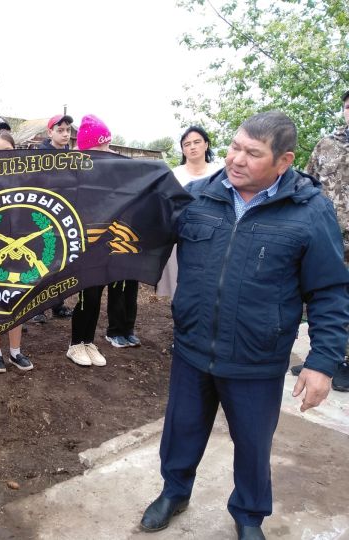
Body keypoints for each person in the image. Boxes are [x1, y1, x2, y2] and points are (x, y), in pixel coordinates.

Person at [140, 111, 349, 540]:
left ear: (284, 161)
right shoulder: (196, 198)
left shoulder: (309, 214)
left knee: (253, 447)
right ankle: (175, 491)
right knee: (181, 431)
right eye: (235, 146)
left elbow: (329, 292)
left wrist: (322, 362)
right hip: (193, 348)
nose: (235, 159)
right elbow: (140, 233)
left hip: (257, 358)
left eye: (252, 153)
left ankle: (249, 514)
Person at [291, 89, 349, 392]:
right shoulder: (327, 144)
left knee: (342, 297)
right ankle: (321, 358)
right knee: (315, 293)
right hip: (324, 233)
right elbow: (308, 181)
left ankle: (344, 361)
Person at [65, 114, 113, 367]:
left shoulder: (109, 171)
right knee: (87, 294)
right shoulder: (74, 172)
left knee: (98, 293)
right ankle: (75, 344)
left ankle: (89, 340)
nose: (108, 150)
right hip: (84, 244)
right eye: (103, 145)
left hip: (104, 242)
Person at [0, 130, 34, 373]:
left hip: (21, 247)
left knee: (18, 299)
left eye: (7, 151)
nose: (2, 155)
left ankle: (15, 352)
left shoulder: (25, 177)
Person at [156, 126, 224, 299]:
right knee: (179, 287)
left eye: (197, 142)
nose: (192, 147)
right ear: (183, 149)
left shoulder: (220, 173)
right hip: (180, 235)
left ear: (206, 144)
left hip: (212, 234)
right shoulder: (174, 175)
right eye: (187, 144)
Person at [32, 113, 75, 323]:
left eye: (68, 130)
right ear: (50, 132)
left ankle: (58, 304)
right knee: (41, 261)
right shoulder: (39, 155)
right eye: (60, 130)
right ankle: (37, 308)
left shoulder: (71, 155)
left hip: (63, 217)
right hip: (43, 218)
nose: (65, 134)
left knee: (60, 263)